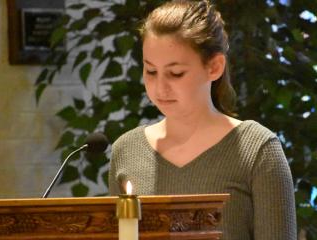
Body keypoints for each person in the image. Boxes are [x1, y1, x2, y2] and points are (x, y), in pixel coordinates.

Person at [108, 0, 297, 239]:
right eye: (151, 71)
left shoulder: (257, 149)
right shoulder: (126, 150)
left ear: (215, 67)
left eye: (176, 73)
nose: (160, 87)